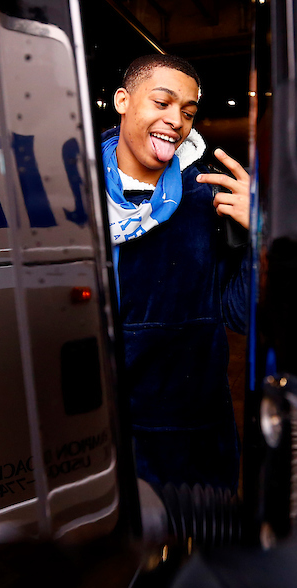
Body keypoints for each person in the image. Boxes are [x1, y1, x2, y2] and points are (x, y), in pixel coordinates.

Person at [101, 53, 250, 492]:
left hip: (193, 431)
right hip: (96, 426)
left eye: (187, 112)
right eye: (162, 103)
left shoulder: (209, 196)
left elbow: (239, 314)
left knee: (197, 554)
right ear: (124, 101)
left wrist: (263, 233)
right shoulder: (71, 192)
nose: (175, 121)